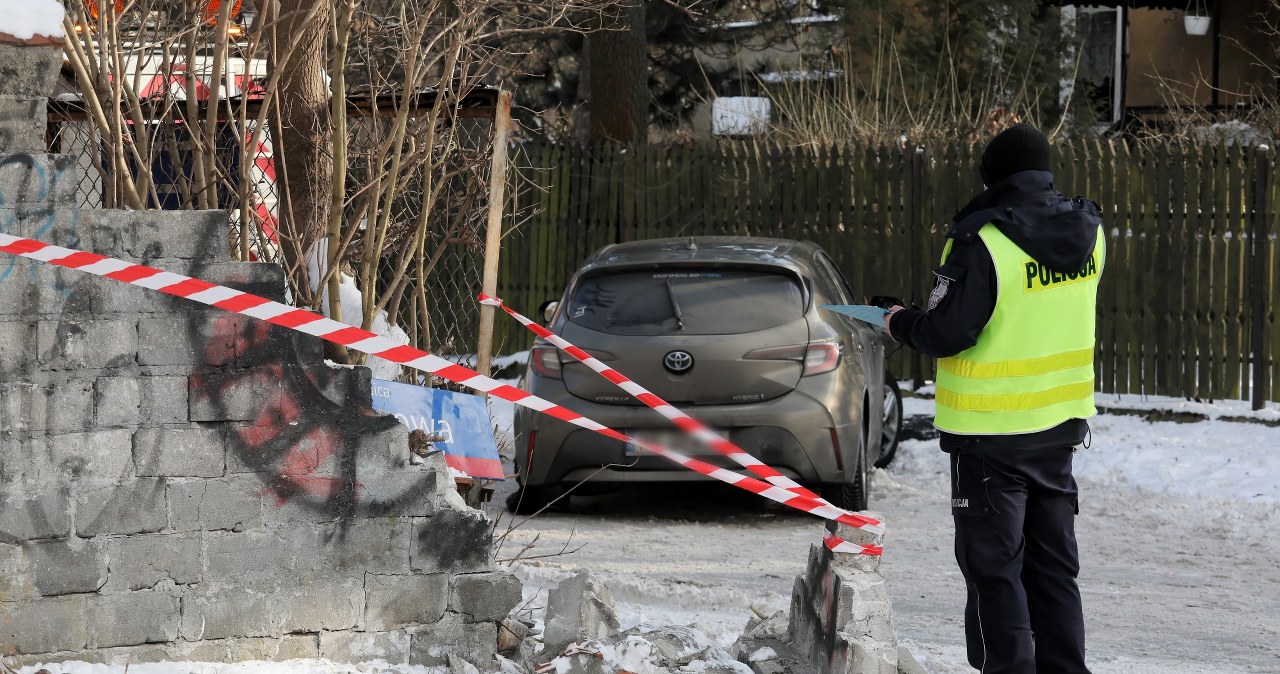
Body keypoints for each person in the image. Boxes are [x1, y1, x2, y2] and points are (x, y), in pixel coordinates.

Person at [884, 123, 1102, 674]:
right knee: (1054, 570)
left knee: (994, 570)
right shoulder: (1089, 233)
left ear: (992, 175)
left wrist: (898, 321)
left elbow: (946, 332)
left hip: (991, 439)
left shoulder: (982, 239)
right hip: (1059, 429)